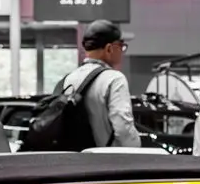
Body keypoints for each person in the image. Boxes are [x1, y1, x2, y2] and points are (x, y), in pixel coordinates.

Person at [51, 19, 141, 149]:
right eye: (121, 46)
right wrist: (137, 149)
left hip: (73, 157)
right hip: (105, 158)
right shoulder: (114, 79)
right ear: (109, 48)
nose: (122, 51)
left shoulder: (68, 79)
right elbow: (123, 128)